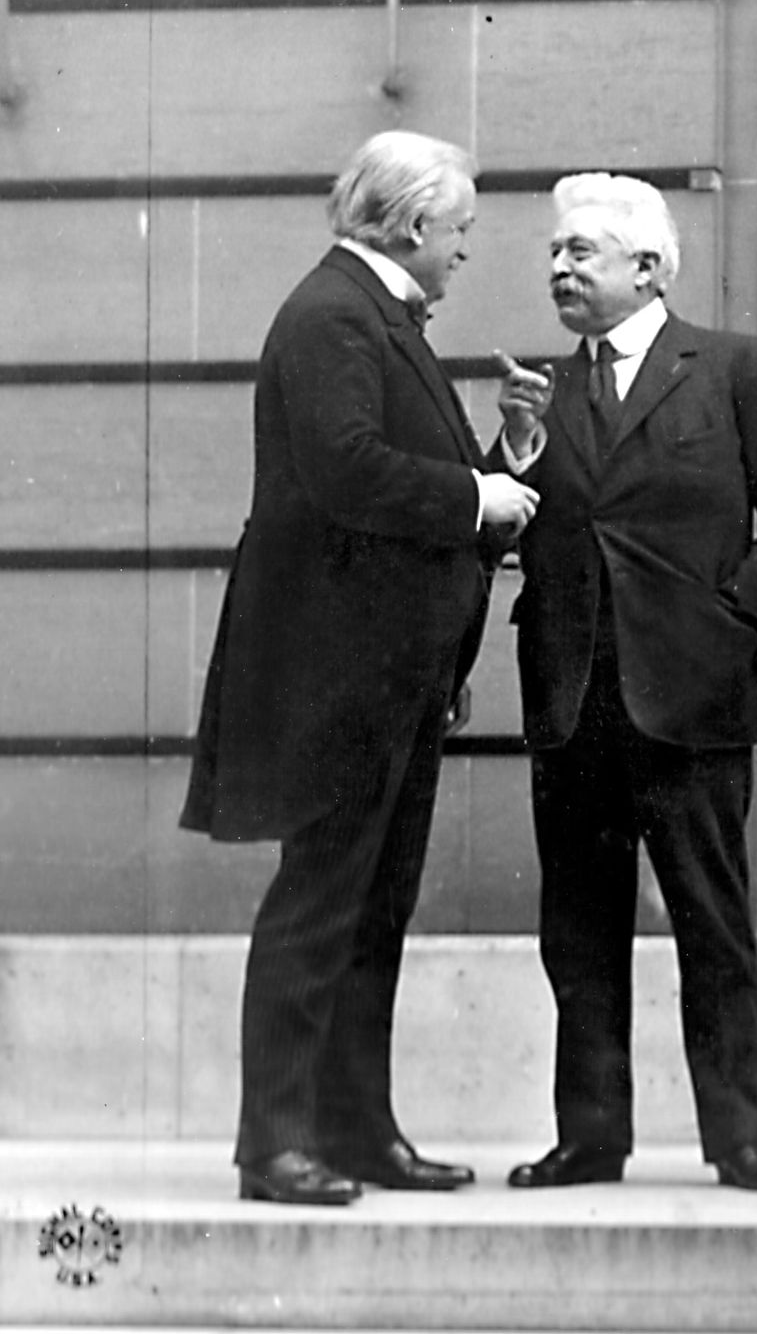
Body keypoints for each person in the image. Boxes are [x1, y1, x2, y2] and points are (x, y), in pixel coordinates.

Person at [181, 131, 541, 1206]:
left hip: (382, 672)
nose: (466, 252)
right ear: (415, 224)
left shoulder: (361, 313)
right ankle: (276, 1145)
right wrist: (481, 499)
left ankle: (351, 1129)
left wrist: (501, 458)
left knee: (368, 908)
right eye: (462, 231)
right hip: (341, 673)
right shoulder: (338, 313)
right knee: (322, 902)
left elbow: (388, 480)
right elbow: (348, 472)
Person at [493, 173, 757, 1193]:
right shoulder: (542, 392)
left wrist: (739, 624)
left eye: (579, 252)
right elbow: (507, 519)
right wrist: (515, 449)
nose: (557, 267)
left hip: (690, 701)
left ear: (646, 267)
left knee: (712, 923)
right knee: (578, 934)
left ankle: (739, 1138)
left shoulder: (732, 367)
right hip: (573, 700)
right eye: (554, 252)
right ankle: (589, 1137)